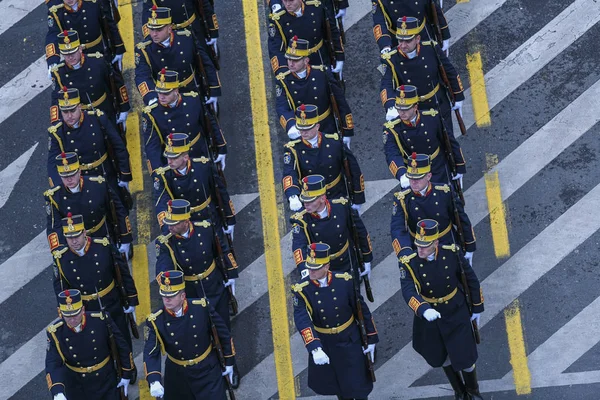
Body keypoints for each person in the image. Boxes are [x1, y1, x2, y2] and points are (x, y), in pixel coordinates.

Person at [154, 198, 241, 387]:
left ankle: (231, 365)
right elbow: (162, 269)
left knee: (223, 329)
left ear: (186, 221)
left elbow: (222, 250)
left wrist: (231, 273)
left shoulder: (206, 228)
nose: (169, 226)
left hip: (214, 287)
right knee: (201, 335)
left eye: (173, 223)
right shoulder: (166, 243)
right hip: (190, 294)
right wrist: (167, 277)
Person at [398, 219, 484, 400]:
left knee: (466, 357)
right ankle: (459, 391)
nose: (420, 249)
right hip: (432, 316)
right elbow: (408, 290)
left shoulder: (452, 253)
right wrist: (423, 309)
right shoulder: (408, 262)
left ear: (436, 242)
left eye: (425, 246)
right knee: (442, 356)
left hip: (455, 310)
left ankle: (473, 391)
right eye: (418, 245)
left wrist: (477, 307)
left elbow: (470, 279)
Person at [292, 243, 378, 399]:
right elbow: (301, 318)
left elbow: (361, 311)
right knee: (340, 387)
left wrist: (371, 338)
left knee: (359, 387)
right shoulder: (302, 290)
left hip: (350, 340)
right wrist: (314, 347)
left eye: (315, 267)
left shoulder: (344, 282)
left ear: (327, 266)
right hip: (326, 343)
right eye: (309, 266)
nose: (310, 271)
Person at [143, 270, 236, 399]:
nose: (167, 300)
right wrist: (154, 379)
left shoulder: (202, 308)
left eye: (171, 296)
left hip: (207, 371)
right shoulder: (156, 320)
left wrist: (229, 361)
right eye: (164, 296)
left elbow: (223, 334)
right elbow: (151, 352)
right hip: (178, 376)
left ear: (182, 296)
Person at [51, 213, 138, 349]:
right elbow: (61, 288)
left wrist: (131, 299)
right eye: (69, 237)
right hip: (86, 311)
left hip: (111, 303)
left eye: (77, 236)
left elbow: (123, 273)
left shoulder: (103, 247)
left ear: (84, 232)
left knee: (123, 343)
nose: (74, 241)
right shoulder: (61, 259)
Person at [380, 16, 465, 135]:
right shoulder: (390, 60)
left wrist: (458, 96)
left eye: (408, 41)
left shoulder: (431, 48)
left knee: (447, 143)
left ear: (417, 38)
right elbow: (386, 84)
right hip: (412, 111)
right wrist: (390, 105)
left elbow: (449, 71)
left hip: (438, 104)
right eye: (400, 40)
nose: (403, 45)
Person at [45, 289, 135, 400]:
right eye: (67, 316)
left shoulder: (101, 320)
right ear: (60, 313)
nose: (72, 320)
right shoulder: (55, 332)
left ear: (83, 310)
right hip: (77, 385)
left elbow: (121, 346)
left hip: (105, 380)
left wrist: (126, 374)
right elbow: (53, 362)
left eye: (75, 314)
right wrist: (57, 391)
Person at [46, 87, 132, 203]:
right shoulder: (57, 133)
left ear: (80, 107)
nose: (69, 116)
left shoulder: (97, 119)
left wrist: (124, 176)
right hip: (78, 181)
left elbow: (118, 146)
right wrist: (61, 188)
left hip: (105, 174)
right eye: (65, 112)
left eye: (73, 110)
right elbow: (52, 163)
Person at [390, 153, 475, 263]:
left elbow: (461, 219)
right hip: (419, 248)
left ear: (428, 176)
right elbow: (397, 228)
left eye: (418, 178)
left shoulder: (444, 192)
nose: (414, 182)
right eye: (411, 178)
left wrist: (469, 246)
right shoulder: (402, 198)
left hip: (446, 244)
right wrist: (405, 253)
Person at [44, 152, 132, 255]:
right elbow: (54, 227)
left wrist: (125, 239)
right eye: (64, 176)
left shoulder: (98, 185)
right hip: (74, 245)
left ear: (79, 171)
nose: (69, 179)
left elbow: (118, 211)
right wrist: (60, 251)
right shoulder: (54, 197)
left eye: (72, 174)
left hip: (102, 238)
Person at [141, 69, 226, 174]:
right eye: (159, 92)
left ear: (176, 91)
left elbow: (210, 124)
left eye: (166, 93)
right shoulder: (152, 113)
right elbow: (152, 146)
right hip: (173, 162)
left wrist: (221, 148)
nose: (161, 96)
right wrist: (157, 173)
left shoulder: (193, 100)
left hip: (198, 153)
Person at [282, 104, 365, 212]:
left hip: (337, 195)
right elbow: (289, 173)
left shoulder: (334, 142)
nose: (303, 132)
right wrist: (292, 195)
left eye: (307, 128)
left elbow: (353, 168)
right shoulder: (293, 149)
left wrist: (358, 198)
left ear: (317, 126)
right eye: (301, 129)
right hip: (311, 200)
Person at [135, 6, 220, 109]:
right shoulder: (144, 50)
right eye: (151, 29)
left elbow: (205, 63)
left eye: (159, 29)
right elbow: (142, 76)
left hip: (192, 90)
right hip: (165, 98)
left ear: (169, 28)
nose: (154, 34)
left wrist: (214, 89)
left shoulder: (187, 38)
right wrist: (151, 97)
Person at [153, 133, 235, 238]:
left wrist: (230, 218)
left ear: (185, 157)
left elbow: (220, 191)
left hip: (209, 216)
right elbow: (161, 202)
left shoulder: (204, 166)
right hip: (184, 222)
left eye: (174, 158)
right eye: (168, 157)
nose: (169, 161)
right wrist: (167, 227)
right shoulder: (163, 176)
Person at [383, 85, 466, 187]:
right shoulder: (392, 128)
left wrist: (460, 165)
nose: (401, 112)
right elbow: (391, 153)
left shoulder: (432, 117)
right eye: (399, 109)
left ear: (415, 107)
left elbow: (449, 141)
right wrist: (402, 174)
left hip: (437, 167)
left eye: (406, 108)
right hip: (414, 174)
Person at [49, 30, 131, 133]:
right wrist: (56, 122)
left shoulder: (98, 62)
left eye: (73, 52)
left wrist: (123, 107)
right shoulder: (59, 73)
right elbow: (56, 99)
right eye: (66, 54)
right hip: (80, 119)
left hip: (104, 110)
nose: (70, 57)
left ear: (80, 49)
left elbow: (116, 83)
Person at [275, 37, 354, 142]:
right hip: (302, 132)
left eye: (296, 60)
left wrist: (347, 131)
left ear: (306, 60)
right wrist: (290, 125)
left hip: (326, 127)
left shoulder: (322, 73)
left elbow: (340, 101)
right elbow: (282, 106)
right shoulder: (283, 81)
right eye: (289, 59)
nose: (291, 64)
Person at [290, 175, 372, 276]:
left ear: (322, 198)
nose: (306, 204)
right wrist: (304, 269)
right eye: (304, 200)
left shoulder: (342, 206)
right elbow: (298, 245)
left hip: (346, 262)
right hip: (320, 268)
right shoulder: (300, 219)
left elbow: (360, 232)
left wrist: (367, 258)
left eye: (311, 200)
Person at [268, 0, 344, 76]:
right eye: (285, 1)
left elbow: (331, 31)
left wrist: (339, 57)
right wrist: (285, 72)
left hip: (320, 57)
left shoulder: (316, 7)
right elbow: (276, 49)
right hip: (296, 65)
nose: (287, 4)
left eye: (291, 0)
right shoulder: (278, 19)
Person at [45, 0, 125, 71]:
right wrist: (53, 60)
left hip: (99, 51)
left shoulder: (94, 3)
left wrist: (119, 48)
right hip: (75, 56)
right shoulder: (56, 11)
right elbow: (53, 34)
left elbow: (108, 24)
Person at [140, 0, 220, 69]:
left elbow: (204, 6)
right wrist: (150, 39)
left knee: (206, 61)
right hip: (171, 34)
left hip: (193, 29)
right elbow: (147, 16)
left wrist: (213, 31)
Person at [372, 0, 451, 55]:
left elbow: (435, 10)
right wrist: (385, 45)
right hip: (399, 40)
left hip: (423, 34)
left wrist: (444, 35)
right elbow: (379, 21)